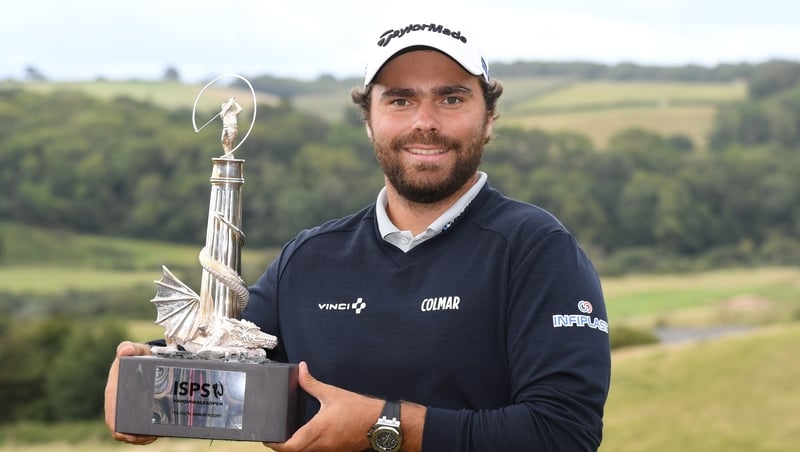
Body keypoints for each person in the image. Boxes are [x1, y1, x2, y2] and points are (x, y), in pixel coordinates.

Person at [105, 20, 611, 451]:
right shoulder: (310, 258)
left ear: (489, 118)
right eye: (400, 100)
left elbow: (564, 432)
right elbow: (226, 351)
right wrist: (149, 374)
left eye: (452, 98)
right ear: (369, 120)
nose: (425, 122)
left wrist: (384, 425)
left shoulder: (536, 249)